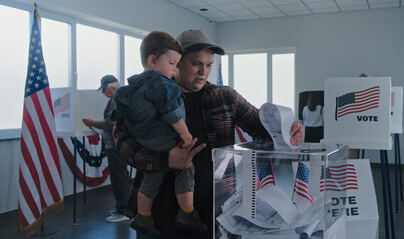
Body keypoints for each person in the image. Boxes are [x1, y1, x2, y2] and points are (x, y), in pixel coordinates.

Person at [114, 29, 305, 239]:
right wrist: (165, 159)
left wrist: (290, 128)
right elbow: (123, 144)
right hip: (158, 216)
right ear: (177, 62)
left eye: (209, 65)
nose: (203, 71)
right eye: (196, 63)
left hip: (213, 214)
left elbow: (264, 128)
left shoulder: (225, 98)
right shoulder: (145, 95)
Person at [113, 31, 207, 235]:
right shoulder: (163, 84)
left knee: (152, 177)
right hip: (159, 136)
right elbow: (171, 112)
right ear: (153, 60)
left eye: (209, 65)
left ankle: (143, 216)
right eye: (174, 63)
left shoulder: (135, 84)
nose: (203, 71)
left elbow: (119, 105)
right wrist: (185, 136)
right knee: (186, 167)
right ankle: (186, 212)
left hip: (145, 137)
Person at [82, 75, 130, 223]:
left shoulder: (117, 101)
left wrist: (95, 123)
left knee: (119, 177)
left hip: (116, 145)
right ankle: (122, 207)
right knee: (120, 176)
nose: (103, 92)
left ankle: (124, 210)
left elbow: (112, 123)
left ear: (112, 87)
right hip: (116, 144)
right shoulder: (117, 100)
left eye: (104, 89)